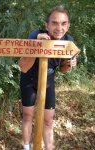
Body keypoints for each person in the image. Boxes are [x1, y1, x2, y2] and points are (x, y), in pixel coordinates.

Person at [19, 6, 77, 150]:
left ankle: (49, 148)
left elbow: (63, 70)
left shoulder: (69, 42)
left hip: (48, 81)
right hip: (29, 79)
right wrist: (36, 47)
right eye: (54, 23)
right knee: (28, 115)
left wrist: (69, 64)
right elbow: (23, 67)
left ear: (68, 25)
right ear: (47, 25)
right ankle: (26, 147)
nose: (59, 28)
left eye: (63, 23)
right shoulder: (36, 35)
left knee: (48, 120)